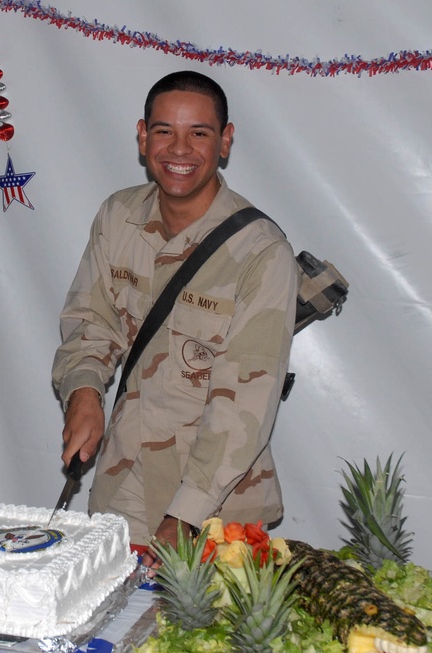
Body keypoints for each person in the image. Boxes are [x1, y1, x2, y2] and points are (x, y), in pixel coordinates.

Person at [51, 71, 297, 562]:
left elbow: (245, 404)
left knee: (206, 640)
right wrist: (83, 391)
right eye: (164, 131)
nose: (179, 149)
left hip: (217, 510)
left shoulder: (261, 252)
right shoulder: (117, 217)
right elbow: (91, 322)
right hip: (123, 490)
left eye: (199, 134)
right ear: (143, 137)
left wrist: (186, 515)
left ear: (225, 141)